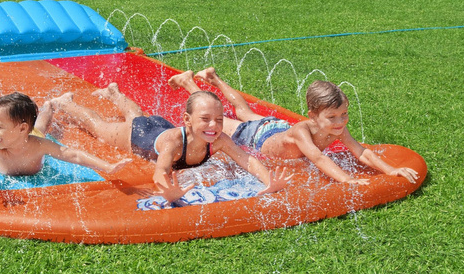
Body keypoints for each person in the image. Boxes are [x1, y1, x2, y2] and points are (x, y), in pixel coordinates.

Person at [168, 68, 419, 186]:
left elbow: (361, 151)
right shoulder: (302, 131)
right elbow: (318, 158)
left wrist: (391, 170)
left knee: (245, 112)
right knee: (220, 120)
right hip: (258, 136)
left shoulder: (337, 128)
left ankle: (213, 78)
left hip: (277, 127)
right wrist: (348, 180)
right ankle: (190, 83)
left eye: (344, 114)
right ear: (313, 116)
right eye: (332, 117)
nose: (340, 121)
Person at [49, 84, 291, 203]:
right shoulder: (174, 144)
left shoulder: (219, 140)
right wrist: (169, 191)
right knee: (100, 128)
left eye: (219, 120)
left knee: (137, 115)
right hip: (138, 135)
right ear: (187, 120)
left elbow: (246, 160)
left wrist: (268, 180)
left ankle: (114, 94)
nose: (213, 126)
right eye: (205, 119)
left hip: (159, 126)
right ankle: (65, 103)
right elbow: (160, 171)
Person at [0, 92, 129, 177]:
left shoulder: (39, 145)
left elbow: (73, 155)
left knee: (41, 126)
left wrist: (107, 167)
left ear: (22, 129)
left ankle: (50, 106)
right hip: (6, 138)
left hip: (30, 135)